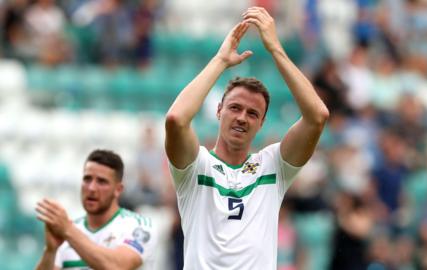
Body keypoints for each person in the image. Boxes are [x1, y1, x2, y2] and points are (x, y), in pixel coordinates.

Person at [164, 6, 329, 269]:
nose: (242, 117)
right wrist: (220, 60)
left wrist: (275, 48)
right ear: (219, 111)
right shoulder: (196, 167)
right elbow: (176, 119)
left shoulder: (273, 166)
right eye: (234, 108)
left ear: (262, 123)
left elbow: (317, 115)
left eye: (253, 113)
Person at [35, 149, 158, 269]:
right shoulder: (68, 233)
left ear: (118, 190)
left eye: (101, 181)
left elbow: (118, 267)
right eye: (87, 179)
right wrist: (50, 251)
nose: (92, 188)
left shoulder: (139, 227)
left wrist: (68, 230)